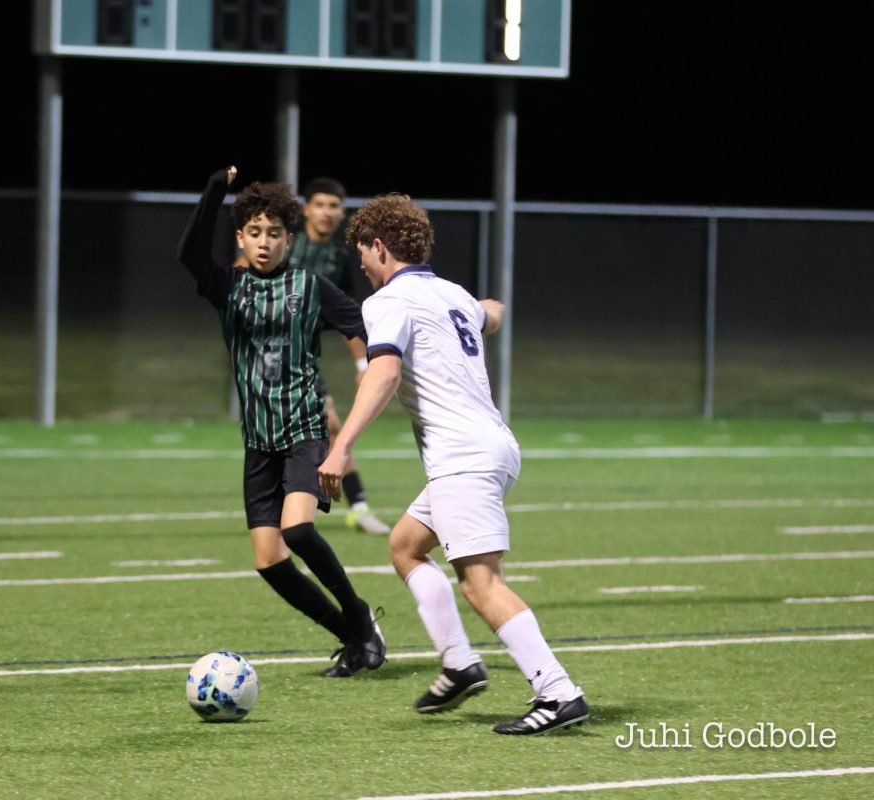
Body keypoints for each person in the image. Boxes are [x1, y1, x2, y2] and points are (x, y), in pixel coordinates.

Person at [318, 194, 589, 733]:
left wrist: (343, 444)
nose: (364, 269)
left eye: (364, 257)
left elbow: (386, 372)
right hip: (491, 447)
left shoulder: (386, 302)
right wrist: (490, 311)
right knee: (405, 546)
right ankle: (458, 662)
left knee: (481, 583)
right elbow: (489, 315)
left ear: (379, 247)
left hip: (462, 456)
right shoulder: (452, 293)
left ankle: (558, 692)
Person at [178, 165, 385, 677]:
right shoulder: (227, 286)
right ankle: (353, 638)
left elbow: (368, 324)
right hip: (258, 442)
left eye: (274, 233)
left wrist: (378, 366)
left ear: (288, 238)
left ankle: (358, 616)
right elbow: (188, 254)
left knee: (297, 533)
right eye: (253, 233)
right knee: (268, 561)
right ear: (241, 238)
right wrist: (213, 193)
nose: (264, 242)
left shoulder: (311, 287)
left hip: (303, 430)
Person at [285, 177, 391, 535]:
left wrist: (363, 363)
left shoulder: (341, 258)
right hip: (267, 357)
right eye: (320, 204)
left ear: (342, 212)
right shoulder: (285, 244)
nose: (327, 212)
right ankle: (285, 507)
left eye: (334, 206)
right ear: (306, 209)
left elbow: (349, 317)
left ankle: (357, 507)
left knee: (330, 425)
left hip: (303, 359)